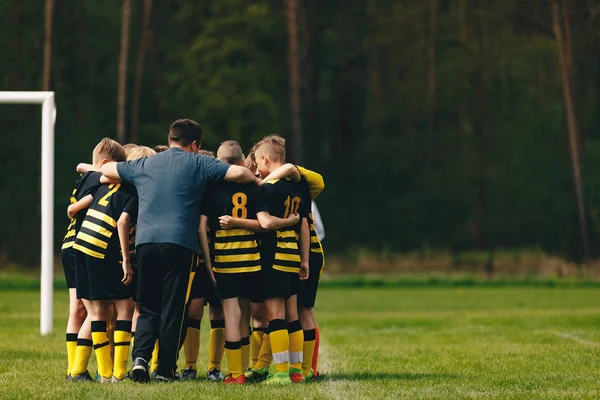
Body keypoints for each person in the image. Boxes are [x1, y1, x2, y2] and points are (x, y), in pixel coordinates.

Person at [100, 119, 258, 382]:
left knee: (149, 306)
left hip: (146, 243)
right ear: (195, 144)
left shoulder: (146, 163)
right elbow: (239, 174)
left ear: (171, 138)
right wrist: (257, 180)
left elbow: (107, 171)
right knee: (174, 307)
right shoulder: (199, 162)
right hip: (180, 244)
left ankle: (139, 359)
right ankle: (164, 369)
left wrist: (85, 167)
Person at [200, 140, 300, 384]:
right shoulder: (255, 188)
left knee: (232, 315)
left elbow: (202, 227)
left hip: (225, 262)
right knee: (253, 315)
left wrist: (208, 258)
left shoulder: (212, 189)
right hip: (253, 262)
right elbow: (263, 225)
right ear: (242, 160)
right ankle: (266, 366)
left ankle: (237, 373)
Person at [72, 139, 139, 383]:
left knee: (98, 310)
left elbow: (83, 168)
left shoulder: (100, 181)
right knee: (125, 306)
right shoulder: (131, 189)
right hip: (102, 248)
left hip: (81, 246)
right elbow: (122, 222)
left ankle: (104, 373)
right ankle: (119, 373)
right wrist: (125, 260)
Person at [249, 135, 310, 384]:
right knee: (292, 316)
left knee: (275, 317)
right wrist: (304, 260)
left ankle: (282, 373)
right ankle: (296, 371)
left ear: (264, 159)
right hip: (292, 255)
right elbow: (304, 224)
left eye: (257, 163)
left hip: (272, 257)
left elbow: (264, 223)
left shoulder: (265, 189)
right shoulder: (298, 186)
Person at [259, 163, 325, 379]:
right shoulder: (298, 190)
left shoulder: (293, 185)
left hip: (303, 252)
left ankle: (304, 369)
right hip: (301, 254)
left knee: (301, 312)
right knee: (297, 312)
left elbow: (290, 167)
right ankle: (301, 369)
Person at [61, 153, 104, 381]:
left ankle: (75, 370)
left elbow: (80, 165)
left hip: (72, 245)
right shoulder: (97, 177)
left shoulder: (90, 174)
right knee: (91, 310)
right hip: (77, 245)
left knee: (79, 309)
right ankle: (76, 369)